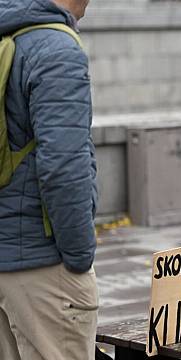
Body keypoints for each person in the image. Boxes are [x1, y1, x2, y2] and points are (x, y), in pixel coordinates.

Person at [0, 1, 98, 359]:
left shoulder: (8, 33)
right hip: (42, 264)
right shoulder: (55, 48)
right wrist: (78, 256)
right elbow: (63, 168)